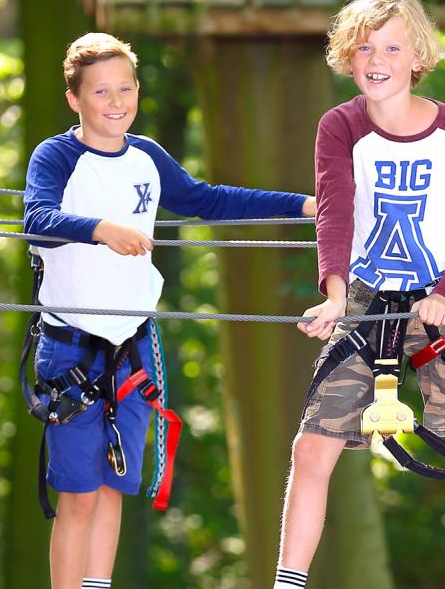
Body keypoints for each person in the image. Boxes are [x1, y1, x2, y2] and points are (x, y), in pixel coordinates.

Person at [23, 32, 316, 589]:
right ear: (75, 100)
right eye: (101, 92)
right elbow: (36, 219)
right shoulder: (57, 157)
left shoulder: (148, 157)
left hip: (132, 345)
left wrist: (301, 204)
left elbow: (209, 200)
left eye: (125, 88)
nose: (115, 102)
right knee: (78, 496)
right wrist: (101, 231)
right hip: (72, 350)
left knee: (115, 484)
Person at [272, 0, 445, 589]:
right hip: (366, 302)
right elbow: (335, 215)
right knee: (311, 448)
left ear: (417, 55)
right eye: (365, 46)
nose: (377, 58)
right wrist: (336, 295)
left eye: (392, 46)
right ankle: (287, 581)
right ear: (348, 53)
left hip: (438, 302)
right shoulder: (339, 126)